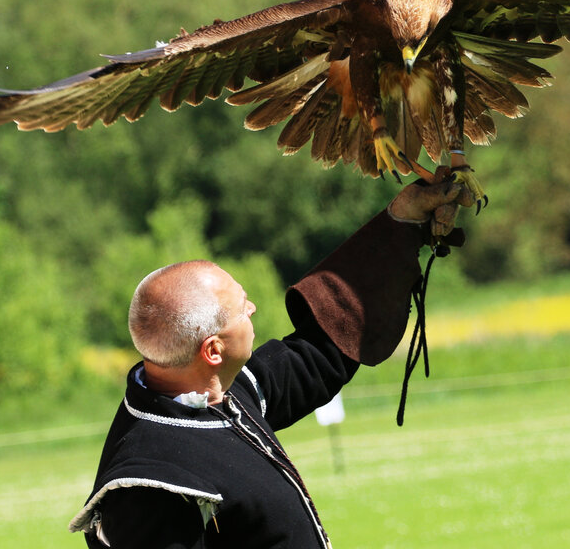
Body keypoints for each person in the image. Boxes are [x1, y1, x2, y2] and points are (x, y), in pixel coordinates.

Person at [69, 176, 472, 548]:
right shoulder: (149, 487)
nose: (253, 307)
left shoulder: (217, 392)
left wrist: (400, 223)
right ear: (213, 351)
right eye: (241, 309)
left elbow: (319, 350)